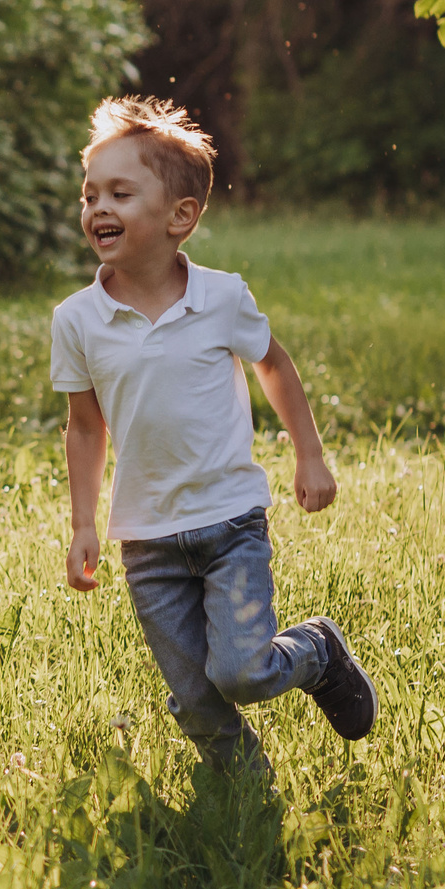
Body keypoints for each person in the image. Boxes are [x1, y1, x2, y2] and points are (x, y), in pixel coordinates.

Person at [52, 96, 378, 775]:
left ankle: (316, 652)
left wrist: (308, 455)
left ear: (181, 217)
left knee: (242, 672)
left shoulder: (221, 296)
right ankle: (242, 790)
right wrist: (84, 522)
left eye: (119, 193)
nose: (97, 208)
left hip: (230, 522)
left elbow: (273, 363)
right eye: (89, 196)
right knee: (196, 694)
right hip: (145, 539)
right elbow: (85, 428)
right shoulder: (77, 320)